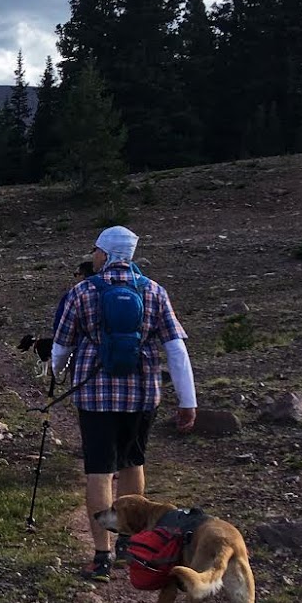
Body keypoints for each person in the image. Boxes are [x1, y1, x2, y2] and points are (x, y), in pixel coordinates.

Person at [50, 225, 197, 582]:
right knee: (133, 463)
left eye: (96, 251)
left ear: (105, 254)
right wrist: (187, 400)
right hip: (142, 395)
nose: (94, 257)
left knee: (99, 470)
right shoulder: (154, 292)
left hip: (95, 397)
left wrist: (55, 373)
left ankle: (100, 557)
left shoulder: (82, 292)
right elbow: (176, 349)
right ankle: (129, 546)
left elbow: (61, 347)